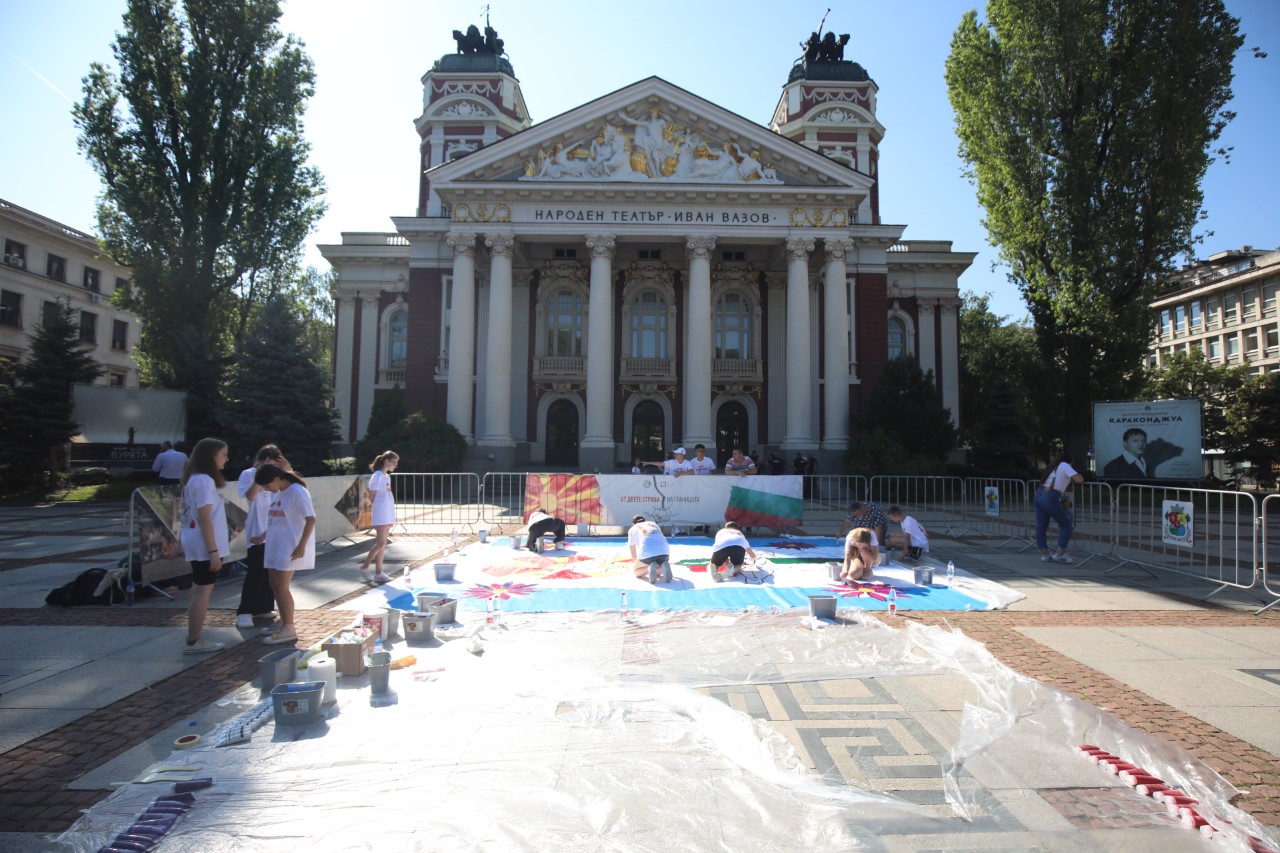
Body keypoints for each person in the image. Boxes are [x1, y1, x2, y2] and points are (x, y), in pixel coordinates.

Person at [179, 438, 230, 654]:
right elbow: (204, 518)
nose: (226, 459)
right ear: (212, 456)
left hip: (201, 542)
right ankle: (194, 639)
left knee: (198, 589)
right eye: (224, 454)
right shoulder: (203, 481)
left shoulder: (198, 480)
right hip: (204, 544)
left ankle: (194, 636)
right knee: (202, 591)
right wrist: (213, 552)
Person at [256, 464, 317, 645]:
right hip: (275, 544)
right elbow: (276, 518)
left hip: (288, 546)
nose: (266, 490)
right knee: (274, 584)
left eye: (267, 486)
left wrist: (301, 546)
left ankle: (289, 627)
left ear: (277, 479)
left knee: (281, 587)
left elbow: (311, 519)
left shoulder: (297, 491)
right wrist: (263, 535)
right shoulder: (279, 492)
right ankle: (283, 621)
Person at [234, 444, 286, 629]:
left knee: (270, 573)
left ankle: (262, 606)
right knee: (255, 571)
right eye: (269, 464)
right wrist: (260, 475)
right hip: (257, 529)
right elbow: (250, 496)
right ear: (262, 460)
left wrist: (286, 470)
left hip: (274, 529)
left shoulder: (279, 477)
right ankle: (244, 611)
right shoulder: (248, 474)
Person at [1037, 452, 1085, 563]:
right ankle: (1060, 553)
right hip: (1050, 496)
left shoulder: (1053, 466)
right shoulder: (1065, 465)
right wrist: (1080, 477)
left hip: (1040, 493)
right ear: (1070, 462)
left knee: (1041, 526)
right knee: (1067, 524)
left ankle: (1045, 553)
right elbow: (1078, 479)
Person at [359, 450, 399, 584]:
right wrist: (375, 509)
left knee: (383, 543)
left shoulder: (386, 476)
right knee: (381, 542)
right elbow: (371, 495)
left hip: (387, 512)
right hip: (381, 512)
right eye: (394, 463)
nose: (395, 466)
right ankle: (365, 567)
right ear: (387, 462)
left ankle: (379, 572)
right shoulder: (377, 476)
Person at [628, 515, 671, 583]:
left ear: (633, 523)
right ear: (645, 520)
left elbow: (633, 553)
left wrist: (637, 564)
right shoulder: (653, 524)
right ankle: (662, 568)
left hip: (647, 552)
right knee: (657, 570)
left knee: (636, 571)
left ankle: (649, 568)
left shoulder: (632, 529)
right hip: (664, 552)